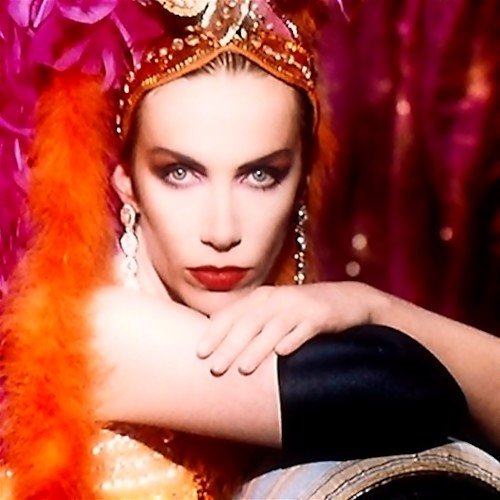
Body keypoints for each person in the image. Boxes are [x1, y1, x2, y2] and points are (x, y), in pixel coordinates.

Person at [0, 0, 498, 498]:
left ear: (302, 186)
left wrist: (370, 306)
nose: (222, 231)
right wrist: (370, 307)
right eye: (180, 173)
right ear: (128, 185)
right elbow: (393, 391)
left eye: (260, 175)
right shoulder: (94, 330)